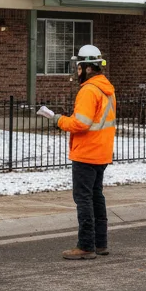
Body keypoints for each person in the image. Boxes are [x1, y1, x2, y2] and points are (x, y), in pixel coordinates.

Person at [37, 44, 116, 260]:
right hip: (101, 151)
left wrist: (57, 119)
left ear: (87, 68)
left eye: (79, 67)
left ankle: (86, 246)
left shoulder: (89, 90)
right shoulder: (106, 88)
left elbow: (81, 123)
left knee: (84, 199)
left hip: (86, 152)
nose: (77, 71)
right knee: (96, 197)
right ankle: (101, 243)